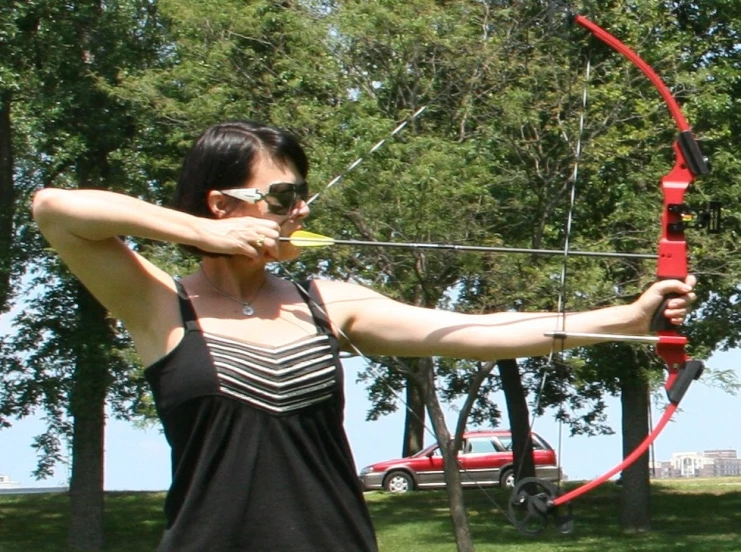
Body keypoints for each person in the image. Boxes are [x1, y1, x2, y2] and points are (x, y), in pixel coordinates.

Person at [32, 120, 696, 552]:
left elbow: (476, 333)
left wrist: (627, 320)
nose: (301, 210)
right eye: (283, 195)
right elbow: (56, 209)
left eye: (303, 196)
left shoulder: (325, 304)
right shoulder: (161, 306)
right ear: (220, 202)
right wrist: (206, 239)